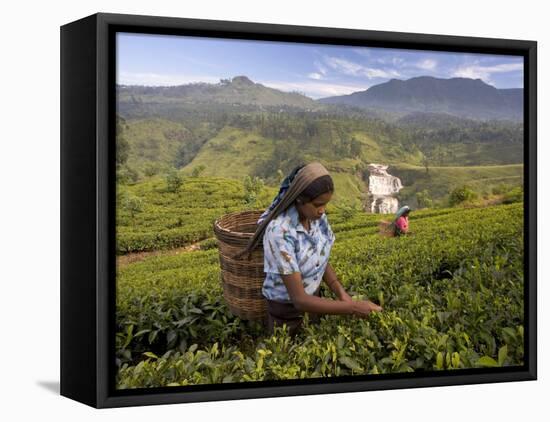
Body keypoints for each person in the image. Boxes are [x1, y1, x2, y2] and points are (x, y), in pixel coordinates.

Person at [235, 162, 382, 336]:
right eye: (318, 204)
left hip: (315, 301)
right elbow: (299, 300)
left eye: (325, 205)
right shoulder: (280, 231)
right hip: (287, 313)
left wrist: (341, 294)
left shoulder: (317, 218)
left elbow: (321, 257)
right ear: (300, 199)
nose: (322, 211)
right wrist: (353, 307)